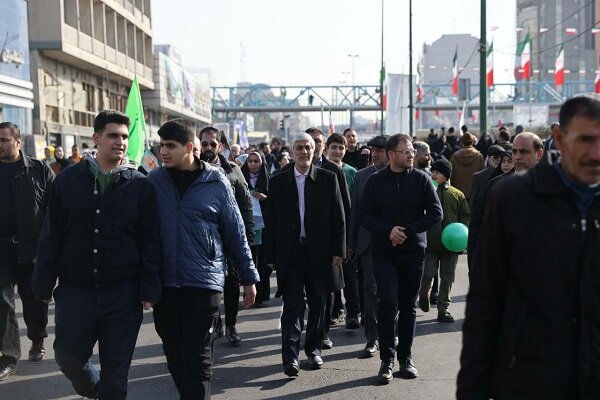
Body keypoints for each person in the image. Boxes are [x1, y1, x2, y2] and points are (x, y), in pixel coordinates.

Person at [457, 95, 600, 398]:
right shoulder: (512, 198)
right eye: (586, 140)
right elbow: (485, 302)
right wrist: (473, 389)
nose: (595, 152)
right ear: (559, 139)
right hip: (530, 376)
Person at [33, 110, 161, 399]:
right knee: (67, 355)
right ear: (96, 138)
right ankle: (98, 391)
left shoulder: (140, 185)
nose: (120, 142)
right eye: (113, 135)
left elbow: (150, 241)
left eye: (124, 137)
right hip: (76, 291)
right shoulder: (68, 181)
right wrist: (42, 283)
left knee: (117, 375)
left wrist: (150, 287)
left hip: (123, 295)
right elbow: (51, 235)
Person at [149, 118, 258, 399]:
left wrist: (248, 277)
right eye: (161, 146)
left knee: (198, 361)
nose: (164, 152)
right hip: (166, 286)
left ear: (189, 147)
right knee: (175, 357)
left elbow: (235, 232)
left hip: (204, 283)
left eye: (170, 146)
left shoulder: (216, 181)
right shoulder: (154, 182)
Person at [359, 134, 442, 383]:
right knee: (387, 302)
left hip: (413, 252)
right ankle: (387, 360)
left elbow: (436, 213)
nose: (411, 155)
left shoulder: (421, 179)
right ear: (391, 154)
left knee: (407, 306)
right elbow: (364, 215)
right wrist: (388, 231)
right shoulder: (375, 182)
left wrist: (407, 230)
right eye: (406, 151)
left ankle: (405, 358)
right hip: (384, 252)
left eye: (412, 151)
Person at [265, 132, 345, 377]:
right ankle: (290, 358)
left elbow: (338, 218)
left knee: (318, 303)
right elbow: (271, 222)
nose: (303, 152)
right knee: (291, 305)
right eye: (299, 147)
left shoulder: (327, 178)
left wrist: (338, 251)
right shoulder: (278, 181)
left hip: (319, 253)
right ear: (292, 151)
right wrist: (270, 256)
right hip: (290, 253)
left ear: (315, 150)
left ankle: (313, 349)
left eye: (308, 147)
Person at [0, 122, 54, 381]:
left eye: (3, 140)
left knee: (34, 300)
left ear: (17, 141)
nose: (0, 145)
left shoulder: (39, 169)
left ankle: (37, 338)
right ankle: (9, 356)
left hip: (32, 249)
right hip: (1, 248)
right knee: (2, 302)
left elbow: (56, 208)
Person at [199, 126, 254, 346]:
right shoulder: (194, 169)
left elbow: (245, 203)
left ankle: (231, 324)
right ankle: (217, 322)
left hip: (229, 236)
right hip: (205, 239)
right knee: (210, 285)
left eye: (213, 144)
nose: (209, 148)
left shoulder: (233, 170)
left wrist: (247, 236)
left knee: (232, 282)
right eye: (205, 144)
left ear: (220, 146)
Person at [347, 135, 389, 358]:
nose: (375, 154)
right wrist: (351, 243)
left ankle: (389, 334)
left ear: (390, 152)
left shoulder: (400, 175)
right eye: (373, 150)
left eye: (379, 150)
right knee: (371, 291)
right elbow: (355, 212)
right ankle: (372, 338)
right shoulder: (362, 176)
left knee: (392, 292)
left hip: (394, 244)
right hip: (368, 244)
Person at [419, 158, 470, 323]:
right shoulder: (426, 192)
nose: (433, 174)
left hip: (452, 245)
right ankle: (423, 293)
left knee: (447, 277)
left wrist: (463, 231)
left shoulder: (457, 194)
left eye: (437, 172)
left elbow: (465, 216)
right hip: (431, 243)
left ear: (446, 175)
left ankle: (443, 308)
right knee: (427, 273)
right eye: (432, 171)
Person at [325, 133, 360, 330]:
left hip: (348, 230)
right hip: (330, 233)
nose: (337, 151)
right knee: (333, 274)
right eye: (334, 147)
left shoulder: (352, 172)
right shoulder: (321, 170)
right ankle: (335, 310)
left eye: (341, 148)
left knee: (351, 273)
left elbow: (353, 204)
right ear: (327, 149)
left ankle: (353, 312)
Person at [240, 151, 271, 307]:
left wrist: (265, 198)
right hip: (248, 225)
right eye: (250, 161)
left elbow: (276, 201)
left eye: (256, 161)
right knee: (250, 259)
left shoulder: (268, 178)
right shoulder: (242, 178)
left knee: (262, 261)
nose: (252, 164)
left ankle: (261, 294)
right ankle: (249, 294)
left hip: (264, 226)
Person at [450, 133, 485, 203]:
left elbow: (451, 175)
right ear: (472, 142)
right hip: (474, 193)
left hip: (458, 193)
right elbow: (483, 175)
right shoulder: (478, 156)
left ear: (462, 142)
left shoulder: (454, 156)